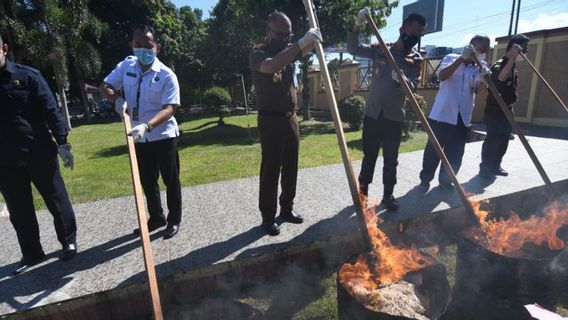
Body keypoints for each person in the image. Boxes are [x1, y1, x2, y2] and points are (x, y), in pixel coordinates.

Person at [0, 33, 77, 275]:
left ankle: (68, 241)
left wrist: (63, 142)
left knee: (56, 199)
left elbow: (50, 110)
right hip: (5, 161)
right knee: (19, 210)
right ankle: (32, 253)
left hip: (38, 152)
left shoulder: (27, 76)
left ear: (3, 47)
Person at [100, 26, 182, 239]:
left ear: (157, 47)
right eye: (138, 45)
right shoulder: (126, 66)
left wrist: (147, 125)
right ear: (132, 46)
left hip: (163, 136)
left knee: (170, 180)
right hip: (138, 136)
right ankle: (156, 217)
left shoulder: (166, 75)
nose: (143, 49)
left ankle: (173, 220)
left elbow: (170, 108)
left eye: (148, 46)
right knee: (146, 179)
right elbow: (106, 85)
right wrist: (116, 99)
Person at [249, 11, 322, 236]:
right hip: (270, 120)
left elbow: (310, 48)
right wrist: (300, 42)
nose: (285, 38)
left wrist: (315, 36)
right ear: (268, 31)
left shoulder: (288, 51)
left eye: (288, 34)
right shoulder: (258, 53)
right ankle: (268, 216)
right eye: (281, 34)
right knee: (271, 169)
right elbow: (271, 66)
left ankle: (287, 208)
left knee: (291, 167)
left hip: (290, 118)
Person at [348, 9, 426, 210]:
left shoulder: (416, 59)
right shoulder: (380, 49)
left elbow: (414, 88)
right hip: (373, 114)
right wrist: (358, 24)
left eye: (419, 34)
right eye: (412, 31)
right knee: (369, 156)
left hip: (394, 118)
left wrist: (402, 80)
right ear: (402, 29)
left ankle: (388, 196)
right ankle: (362, 194)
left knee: (391, 159)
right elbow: (352, 48)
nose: (414, 36)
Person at [418, 35, 491, 191]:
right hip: (442, 115)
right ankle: (425, 179)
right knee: (433, 150)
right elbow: (442, 76)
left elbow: (477, 90)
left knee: (455, 153)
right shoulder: (451, 58)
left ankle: (446, 181)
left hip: (462, 117)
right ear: (471, 46)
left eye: (486, 50)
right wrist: (461, 59)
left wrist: (485, 81)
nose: (483, 53)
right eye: (481, 49)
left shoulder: (480, 65)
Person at [480, 34, 530, 178]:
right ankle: (485, 168)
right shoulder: (500, 64)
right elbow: (501, 77)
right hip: (495, 109)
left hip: (507, 108)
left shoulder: (512, 65)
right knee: (493, 139)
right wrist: (513, 56)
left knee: (504, 139)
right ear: (514, 47)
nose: (525, 53)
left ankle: (496, 165)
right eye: (523, 49)